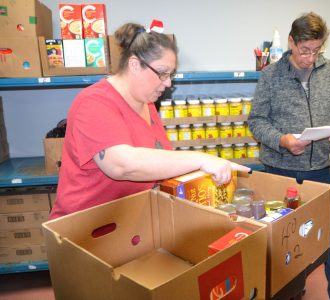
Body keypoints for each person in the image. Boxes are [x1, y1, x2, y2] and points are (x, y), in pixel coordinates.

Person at [50, 22, 250, 220]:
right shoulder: (94, 102)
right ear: (135, 65)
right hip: (85, 228)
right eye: (162, 73)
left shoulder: (146, 103)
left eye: (170, 74)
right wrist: (201, 159)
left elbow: (157, 159)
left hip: (129, 223)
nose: (168, 82)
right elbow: (121, 165)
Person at [248, 12, 330, 300]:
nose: (310, 58)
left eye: (316, 50)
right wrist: (283, 141)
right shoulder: (271, 75)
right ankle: (286, 290)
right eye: (304, 50)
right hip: (278, 170)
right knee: (280, 236)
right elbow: (257, 121)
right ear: (291, 42)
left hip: (319, 171)